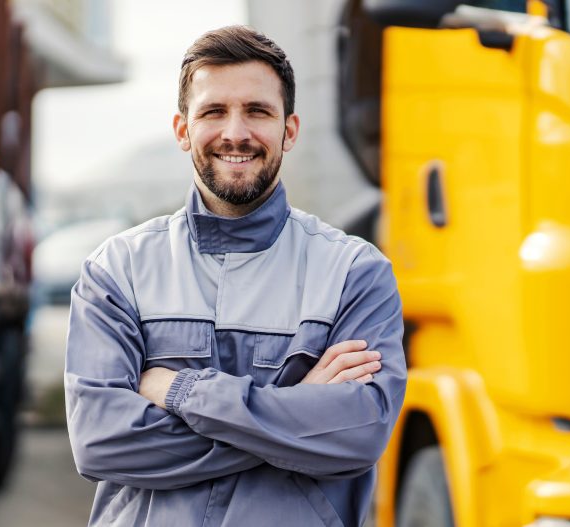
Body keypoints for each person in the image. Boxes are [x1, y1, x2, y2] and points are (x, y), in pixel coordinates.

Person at [64, 25, 406, 527]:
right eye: (213, 112)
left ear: (289, 129)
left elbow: (357, 434)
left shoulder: (355, 273)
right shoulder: (117, 271)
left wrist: (183, 393)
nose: (236, 133)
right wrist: (297, 413)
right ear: (183, 130)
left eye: (258, 111)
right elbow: (100, 444)